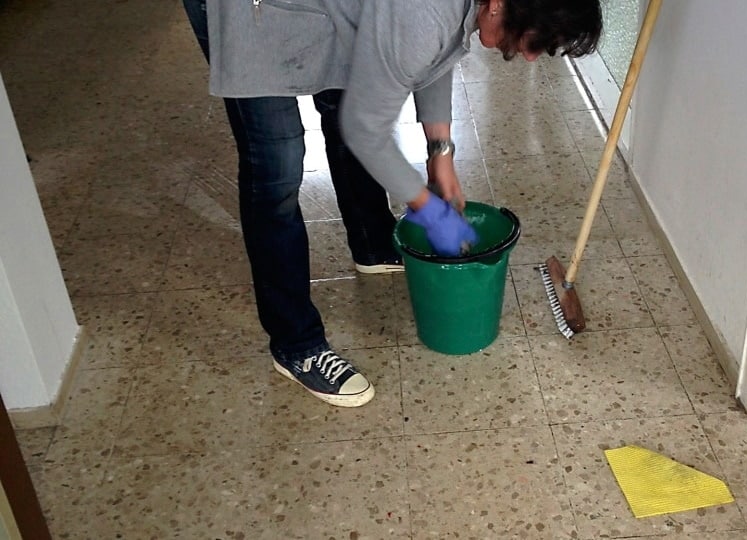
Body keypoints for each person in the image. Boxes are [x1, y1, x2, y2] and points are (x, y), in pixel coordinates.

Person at [182, 0, 602, 408]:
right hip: (248, 10)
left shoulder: (445, 13)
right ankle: (296, 344)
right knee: (276, 168)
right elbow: (368, 128)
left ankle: (373, 244)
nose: (529, 58)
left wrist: (442, 154)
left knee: (344, 102)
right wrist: (431, 210)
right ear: (497, 4)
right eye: (534, 41)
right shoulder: (424, 12)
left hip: (328, 10)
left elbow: (437, 52)